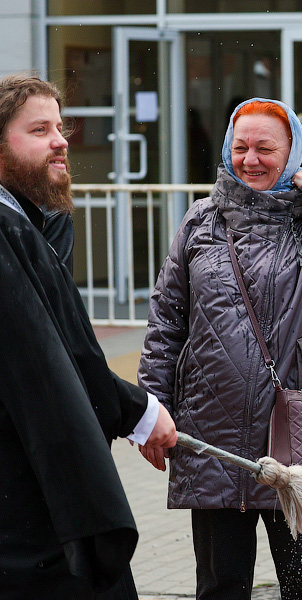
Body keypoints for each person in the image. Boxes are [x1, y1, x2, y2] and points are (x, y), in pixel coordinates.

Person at [137, 97, 302, 600]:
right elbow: (166, 321)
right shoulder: (201, 221)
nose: (251, 160)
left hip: (297, 437)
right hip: (210, 432)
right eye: (240, 147)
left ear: (292, 154)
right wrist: (150, 412)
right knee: (221, 586)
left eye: (266, 149)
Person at [0, 73, 178, 598]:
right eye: (39, 130)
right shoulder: (8, 231)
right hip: (24, 516)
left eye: (60, 128)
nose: (60, 141)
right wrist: (139, 411)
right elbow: (50, 358)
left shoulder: (29, 220)